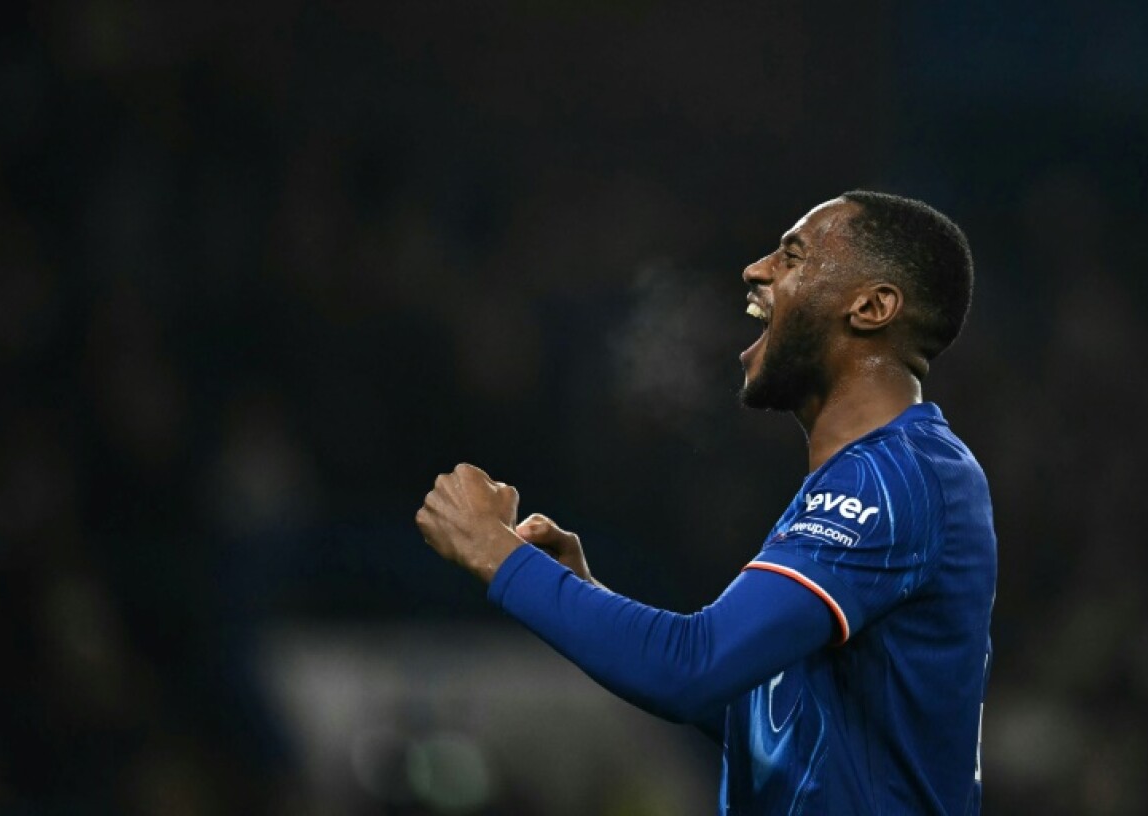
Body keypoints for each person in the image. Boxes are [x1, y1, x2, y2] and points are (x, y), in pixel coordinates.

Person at [415, 191, 996, 815]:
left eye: (792, 255)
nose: (756, 269)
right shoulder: (881, 474)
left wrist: (497, 553)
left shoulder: (892, 477)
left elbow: (691, 671)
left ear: (872, 306)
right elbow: (772, 720)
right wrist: (581, 591)